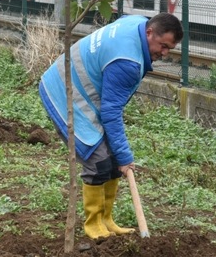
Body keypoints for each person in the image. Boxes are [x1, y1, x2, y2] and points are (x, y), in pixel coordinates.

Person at [39, 12, 183, 240]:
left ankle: (107, 219)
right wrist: (126, 156)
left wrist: (121, 158)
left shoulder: (137, 22)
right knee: (99, 161)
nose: (164, 54)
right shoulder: (127, 62)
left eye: (169, 49)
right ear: (149, 32)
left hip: (83, 90)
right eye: (163, 46)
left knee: (113, 160)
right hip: (65, 93)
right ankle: (94, 223)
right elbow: (111, 112)